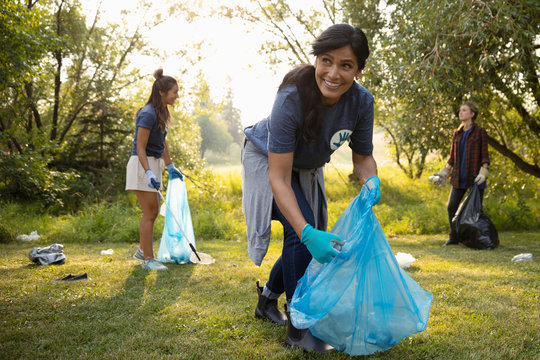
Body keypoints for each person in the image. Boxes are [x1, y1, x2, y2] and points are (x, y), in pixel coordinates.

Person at [241, 24, 380, 352]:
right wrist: (305, 231)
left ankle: (266, 301)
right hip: (266, 159)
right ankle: (299, 328)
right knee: (301, 233)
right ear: (315, 60)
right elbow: (279, 177)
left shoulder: (362, 103)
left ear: (359, 70)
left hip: (305, 165)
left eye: (346, 65)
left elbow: (363, 158)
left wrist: (370, 179)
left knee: (307, 233)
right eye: (326, 61)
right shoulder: (292, 97)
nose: (333, 73)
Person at [125, 69, 184, 270]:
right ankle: (148, 260)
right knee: (149, 213)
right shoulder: (148, 113)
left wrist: (170, 165)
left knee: (153, 211)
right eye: (174, 92)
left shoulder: (162, 113)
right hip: (142, 165)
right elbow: (140, 146)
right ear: (162, 92)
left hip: (153, 164)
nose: (177, 95)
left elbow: (162, 142)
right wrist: (148, 172)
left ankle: (143, 250)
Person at [433, 102, 490, 245]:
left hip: (475, 178)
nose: (460, 112)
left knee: (475, 211)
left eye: (464, 110)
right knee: (451, 207)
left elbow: (485, 155)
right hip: (459, 177)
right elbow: (452, 159)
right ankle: (454, 238)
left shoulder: (480, 132)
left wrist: (483, 173)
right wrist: (443, 173)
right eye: (460, 110)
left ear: (472, 114)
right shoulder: (457, 134)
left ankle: (476, 239)